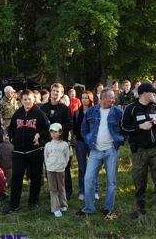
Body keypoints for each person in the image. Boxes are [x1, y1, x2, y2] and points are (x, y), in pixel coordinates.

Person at [122, 83, 156, 221]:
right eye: (152, 92)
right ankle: (140, 208)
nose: (154, 94)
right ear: (144, 94)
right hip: (139, 151)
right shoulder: (131, 109)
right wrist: (139, 127)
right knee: (139, 180)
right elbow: (124, 127)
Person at [76, 88, 124, 218]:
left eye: (113, 97)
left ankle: (108, 208)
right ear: (103, 98)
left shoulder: (118, 112)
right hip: (95, 150)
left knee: (111, 181)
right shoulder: (92, 111)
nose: (113, 100)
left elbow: (124, 128)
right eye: (111, 97)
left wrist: (120, 140)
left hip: (111, 150)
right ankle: (89, 208)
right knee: (88, 179)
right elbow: (83, 128)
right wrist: (88, 139)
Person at [2, 90, 50, 214]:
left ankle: (33, 201)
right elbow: (11, 129)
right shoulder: (17, 113)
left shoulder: (39, 113)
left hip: (35, 150)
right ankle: (14, 204)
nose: (27, 101)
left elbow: (47, 129)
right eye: (25, 99)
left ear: (33, 100)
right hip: (18, 152)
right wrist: (12, 139)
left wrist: (39, 134)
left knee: (35, 177)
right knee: (16, 177)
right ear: (21, 100)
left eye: (29, 99)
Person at [40, 83, 74, 199]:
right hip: (48, 143)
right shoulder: (44, 108)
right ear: (50, 91)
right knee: (49, 168)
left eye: (57, 91)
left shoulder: (65, 109)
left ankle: (66, 193)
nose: (55, 93)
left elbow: (70, 124)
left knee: (64, 168)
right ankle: (53, 192)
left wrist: (58, 132)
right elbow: (40, 124)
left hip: (62, 142)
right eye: (53, 91)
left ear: (61, 93)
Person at [73, 91, 99, 201]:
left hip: (92, 143)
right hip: (80, 143)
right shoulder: (77, 113)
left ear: (90, 99)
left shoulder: (95, 112)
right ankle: (82, 191)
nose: (84, 100)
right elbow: (75, 128)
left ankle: (95, 191)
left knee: (93, 168)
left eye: (87, 98)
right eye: (83, 98)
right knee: (82, 168)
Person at [44, 123, 71, 217]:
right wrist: (48, 165)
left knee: (61, 187)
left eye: (55, 132)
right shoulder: (48, 145)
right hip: (51, 169)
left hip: (60, 169)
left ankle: (64, 204)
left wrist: (63, 165)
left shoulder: (64, 145)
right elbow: (46, 157)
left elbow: (67, 157)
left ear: (60, 132)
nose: (53, 134)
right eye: (51, 131)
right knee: (53, 189)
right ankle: (55, 208)